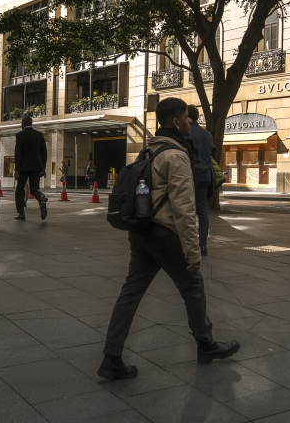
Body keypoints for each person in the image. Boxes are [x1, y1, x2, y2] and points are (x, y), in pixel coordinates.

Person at [99, 97, 239, 381]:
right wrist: (193, 251)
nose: (190, 121)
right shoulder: (175, 155)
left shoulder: (149, 150)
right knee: (193, 288)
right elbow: (184, 209)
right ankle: (206, 344)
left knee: (130, 294)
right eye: (187, 117)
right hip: (166, 235)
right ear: (176, 122)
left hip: (141, 233)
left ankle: (111, 356)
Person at [186, 104, 215, 254]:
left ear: (188, 118)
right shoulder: (207, 134)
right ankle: (202, 244)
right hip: (205, 176)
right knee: (202, 211)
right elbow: (213, 154)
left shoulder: (188, 133)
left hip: (190, 176)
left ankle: (188, 244)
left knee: (187, 209)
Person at [13, 112, 48, 221]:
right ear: (31, 124)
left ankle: (21, 213)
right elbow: (44, 153)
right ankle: (40, 199)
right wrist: (43, 168)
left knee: (19, 190)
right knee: (34, 188)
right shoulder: (39, 135)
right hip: (36, 166)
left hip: (23, 167)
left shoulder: (20, 135)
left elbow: (18, 154)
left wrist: (17, 169)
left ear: (23, 124)